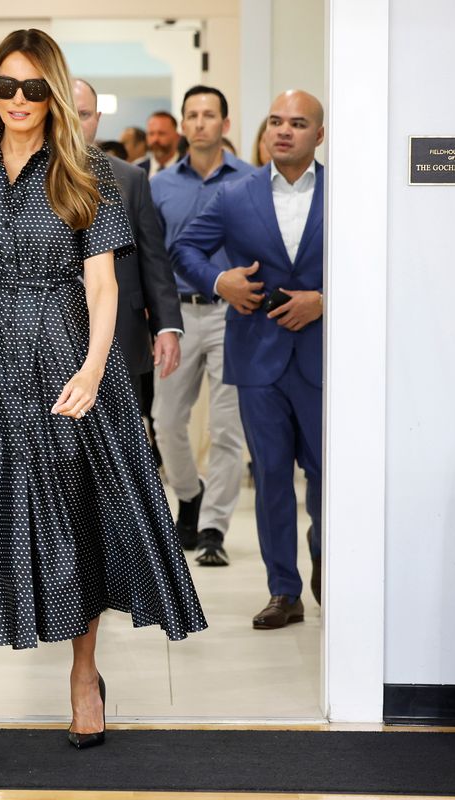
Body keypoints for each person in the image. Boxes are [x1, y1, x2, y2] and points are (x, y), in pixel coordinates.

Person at [0, 28, 207, 784]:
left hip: (66, 352)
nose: (17, 101)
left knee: (76, 516)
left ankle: (83, 675)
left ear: (54, 92)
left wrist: (93, 368)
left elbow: (104, 287)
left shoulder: (89, 174)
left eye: (33, 88)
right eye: (5, 86)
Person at [172, 90, 325, 629]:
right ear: (264, 133)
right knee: (274, 480)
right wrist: (220, 281)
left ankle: (327, 560)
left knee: (328, 475)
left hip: (325, 359)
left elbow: (375, 264)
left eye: (298, 123)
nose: (285, 131)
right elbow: (184, 249)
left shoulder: (346, 195)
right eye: (277, 122)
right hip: (257, 357)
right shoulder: (237, 195)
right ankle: (284, 590)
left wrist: (326, 300)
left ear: (318, 135)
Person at [149, 86, 255, 566]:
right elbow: (152, 254)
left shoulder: (251, 182)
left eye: (209, 115)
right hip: (178, 315)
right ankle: (190, 494)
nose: (199, 123)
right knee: (167, 422)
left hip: (237, 316)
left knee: (227, 428)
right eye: (191, 115)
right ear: (183, 125)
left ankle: (212, 528)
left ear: (224, 125)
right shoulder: (161, 185)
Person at [71, 78, 182, 449]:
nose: (75, 122)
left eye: (84, 114)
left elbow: (153, 258)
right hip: (53, 333)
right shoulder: (32, 175)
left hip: (122, 330)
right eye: (68, 113)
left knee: (122, 449)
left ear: (97, 119)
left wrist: (166, 326)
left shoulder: (129, 178)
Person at [137, 111, 180, 175]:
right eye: (151, 134)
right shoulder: (137, 170)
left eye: (161, 133)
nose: (155, 139)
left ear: (176, 137)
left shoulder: (189, 170)